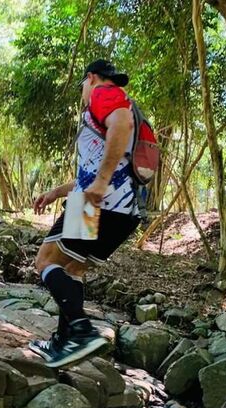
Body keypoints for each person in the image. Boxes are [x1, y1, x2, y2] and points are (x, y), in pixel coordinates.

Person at [30, 60, 141, 368]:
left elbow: (121, 123)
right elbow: (89, 175)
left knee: (45, 262)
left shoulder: (103, 94)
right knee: (72, 270)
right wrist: (56, 192)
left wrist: (103, 181)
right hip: (123, 210)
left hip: (95, 205)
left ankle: (80, 331)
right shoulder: (119, 105)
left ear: (90, 78)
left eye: (83, 84)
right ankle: (63, 344)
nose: (83, 90)